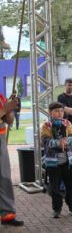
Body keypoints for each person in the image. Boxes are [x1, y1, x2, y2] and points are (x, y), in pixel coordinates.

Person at [41, 102, 72, 218]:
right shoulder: (46, 126)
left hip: (68, 161)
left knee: (71, 186)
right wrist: (58, 142)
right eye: (57, 111)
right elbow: (46, 142)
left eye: (61, 111)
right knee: (55, 187)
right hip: (53, 163)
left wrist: (67, 141)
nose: (59, 113)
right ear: (50, 112)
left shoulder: (67, 123)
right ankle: (56, 209)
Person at [0, 93, 24, 226]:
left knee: (4, 177)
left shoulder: (0, 97)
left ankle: (7, 215)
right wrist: (5, 109)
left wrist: (11, 108)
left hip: (1, 141)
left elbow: (9, 121)